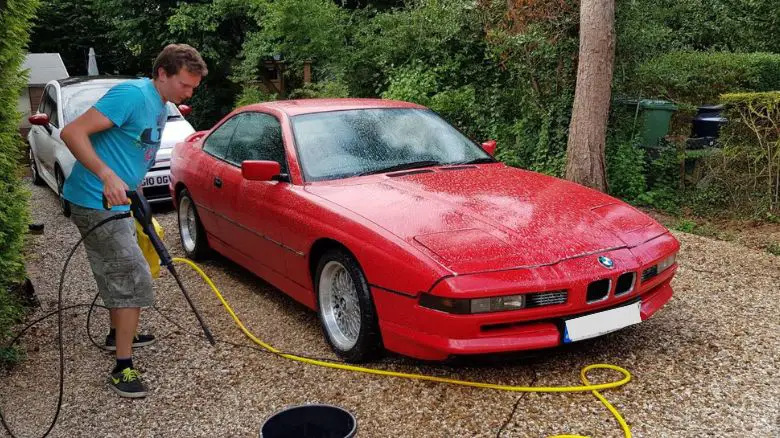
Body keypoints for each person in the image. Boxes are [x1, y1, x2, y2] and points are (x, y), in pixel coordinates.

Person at [60, 44, 208, 398]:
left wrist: (132, 184)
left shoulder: (159, 103)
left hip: (122, 199)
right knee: (131, 274)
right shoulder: (131, 95)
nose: (189, 93)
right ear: (162, 74)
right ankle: (122, 368)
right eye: (185, 85)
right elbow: (72, 133)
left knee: (123, 270)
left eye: (193, 88)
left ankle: (117, 335)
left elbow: (130, 146)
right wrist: (107, 175)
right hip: (95, 200)